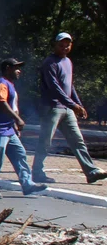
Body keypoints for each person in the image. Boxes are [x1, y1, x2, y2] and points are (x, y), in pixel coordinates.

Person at [33, 32, 107, 184]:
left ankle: (91, 171)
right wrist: (72, 105)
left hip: (67, 108)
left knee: (77, 140)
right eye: (61, 44)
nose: (64, 47)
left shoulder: (68, 62)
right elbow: (54, 88)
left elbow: (69, 86)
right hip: (52, 108)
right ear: (55, 45)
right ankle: (37, 173)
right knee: (45, 141)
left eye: (67, 44)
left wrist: (78, 104)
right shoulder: (50, 63)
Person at [0, 58, 47, 199]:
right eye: (16, 68)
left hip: (8, 129)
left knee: (19, 154)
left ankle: (27, 184)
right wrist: (17, 119)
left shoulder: (10, 84)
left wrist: (13, 125)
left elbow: (10, 106)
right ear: (8, 68)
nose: (19, 71)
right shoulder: (1, 83)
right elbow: (1, 103)